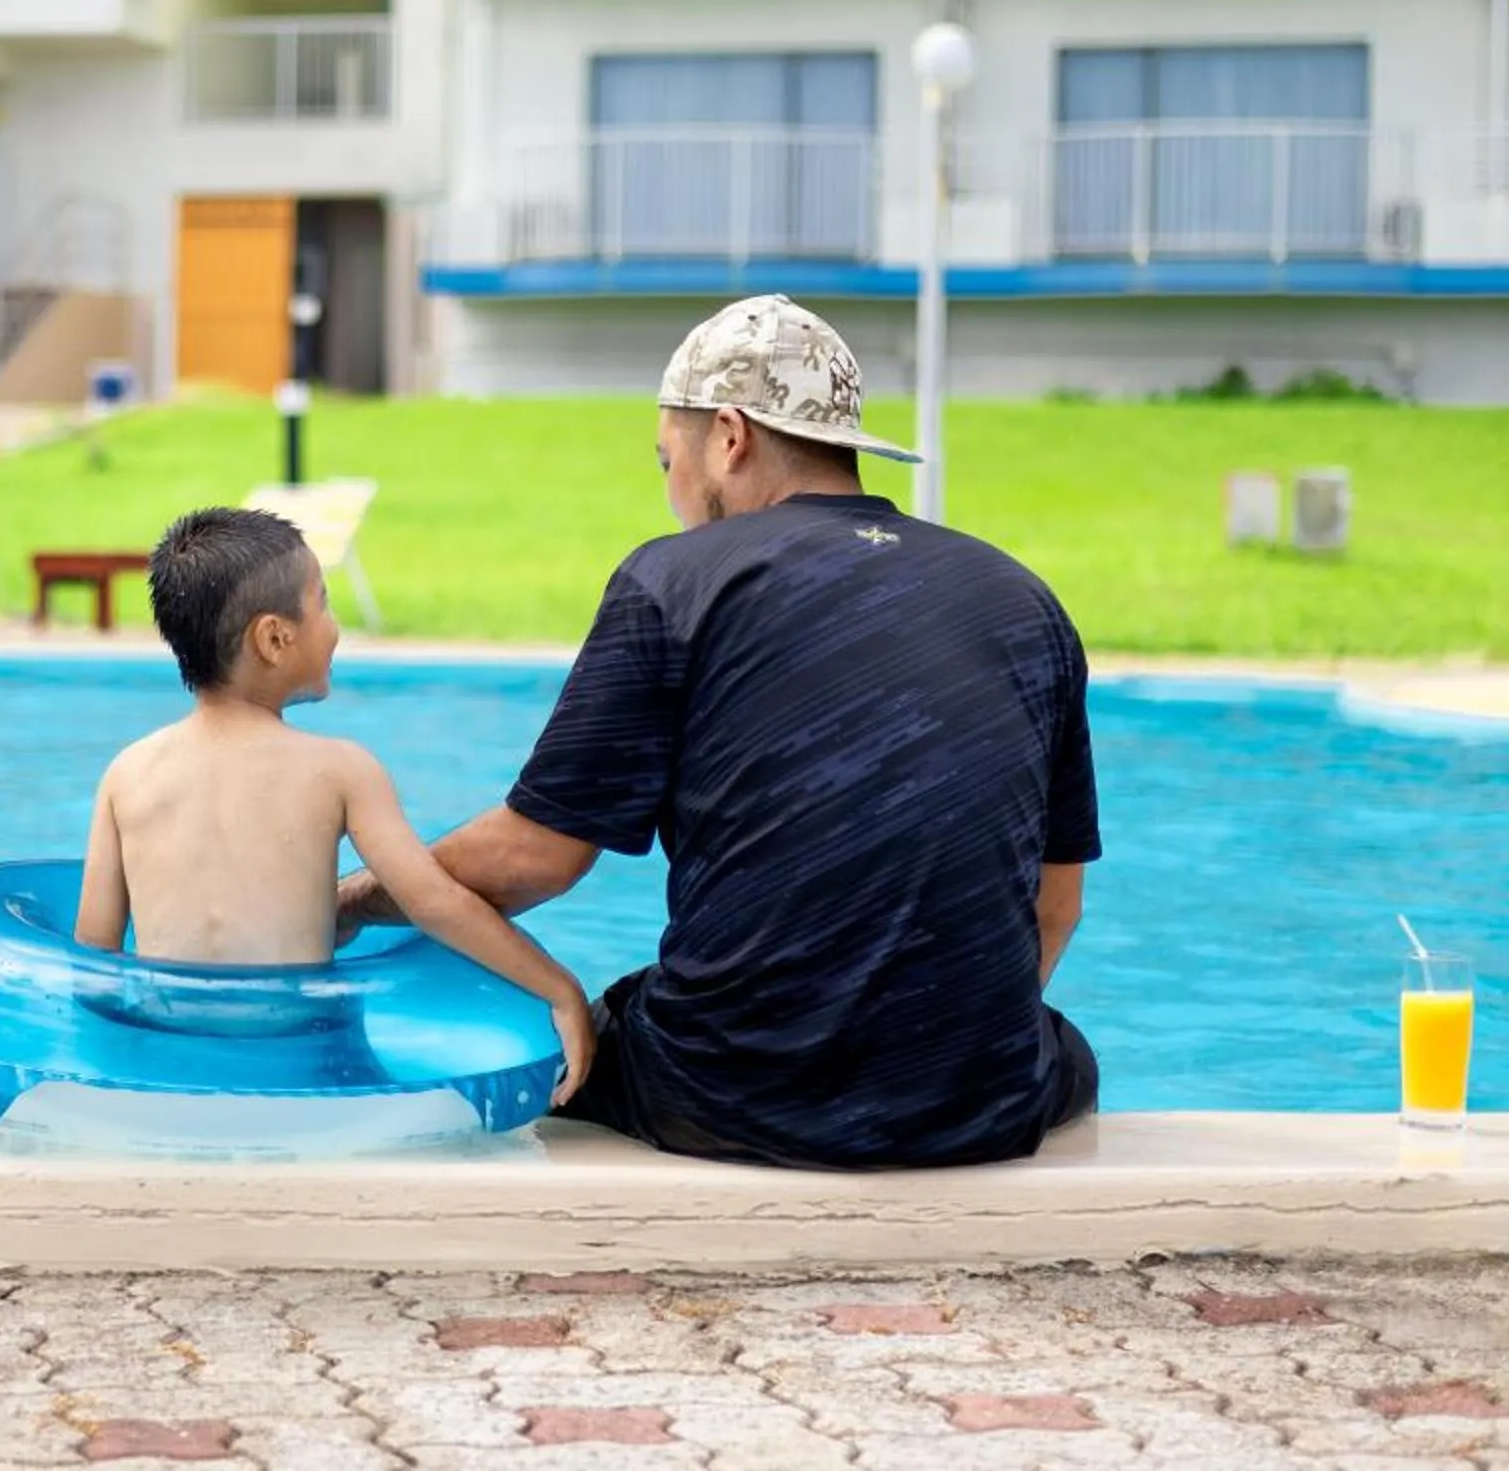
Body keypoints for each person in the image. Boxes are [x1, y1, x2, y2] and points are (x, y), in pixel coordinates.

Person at [337, 294, 1100, 1170]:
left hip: (733, 1097)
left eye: (668, 458)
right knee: (1053, 1044)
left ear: (728, 436)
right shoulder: (1022, 599)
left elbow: (529, 861)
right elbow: (1055, 905)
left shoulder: (677, 581)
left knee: (545, 1028)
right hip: (979, 1106)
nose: (670, 491)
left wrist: (354, 901)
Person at [76, 506, 594, 1100]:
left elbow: (96, 956)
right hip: (291, 1064)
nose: (335, 626)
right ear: (275, 637)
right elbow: (434, 903)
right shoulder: (340, 769)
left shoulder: (128, 773)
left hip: (166, 1063)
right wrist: (558, 989)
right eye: (322, 603)